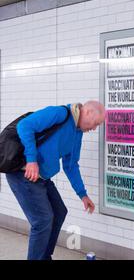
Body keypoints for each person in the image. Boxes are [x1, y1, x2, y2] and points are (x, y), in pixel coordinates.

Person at [5, 101, 105, 260]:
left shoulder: (77, 133)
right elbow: (24, 126)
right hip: (22, 173)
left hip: (42, 178)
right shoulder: (59, 114)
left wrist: (83, 195)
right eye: (96, 123)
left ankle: (44, 257)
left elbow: (71, 165)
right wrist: (31, 159)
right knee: (42, 220)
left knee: (59, 212)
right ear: (87, 112)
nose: (94, 128)